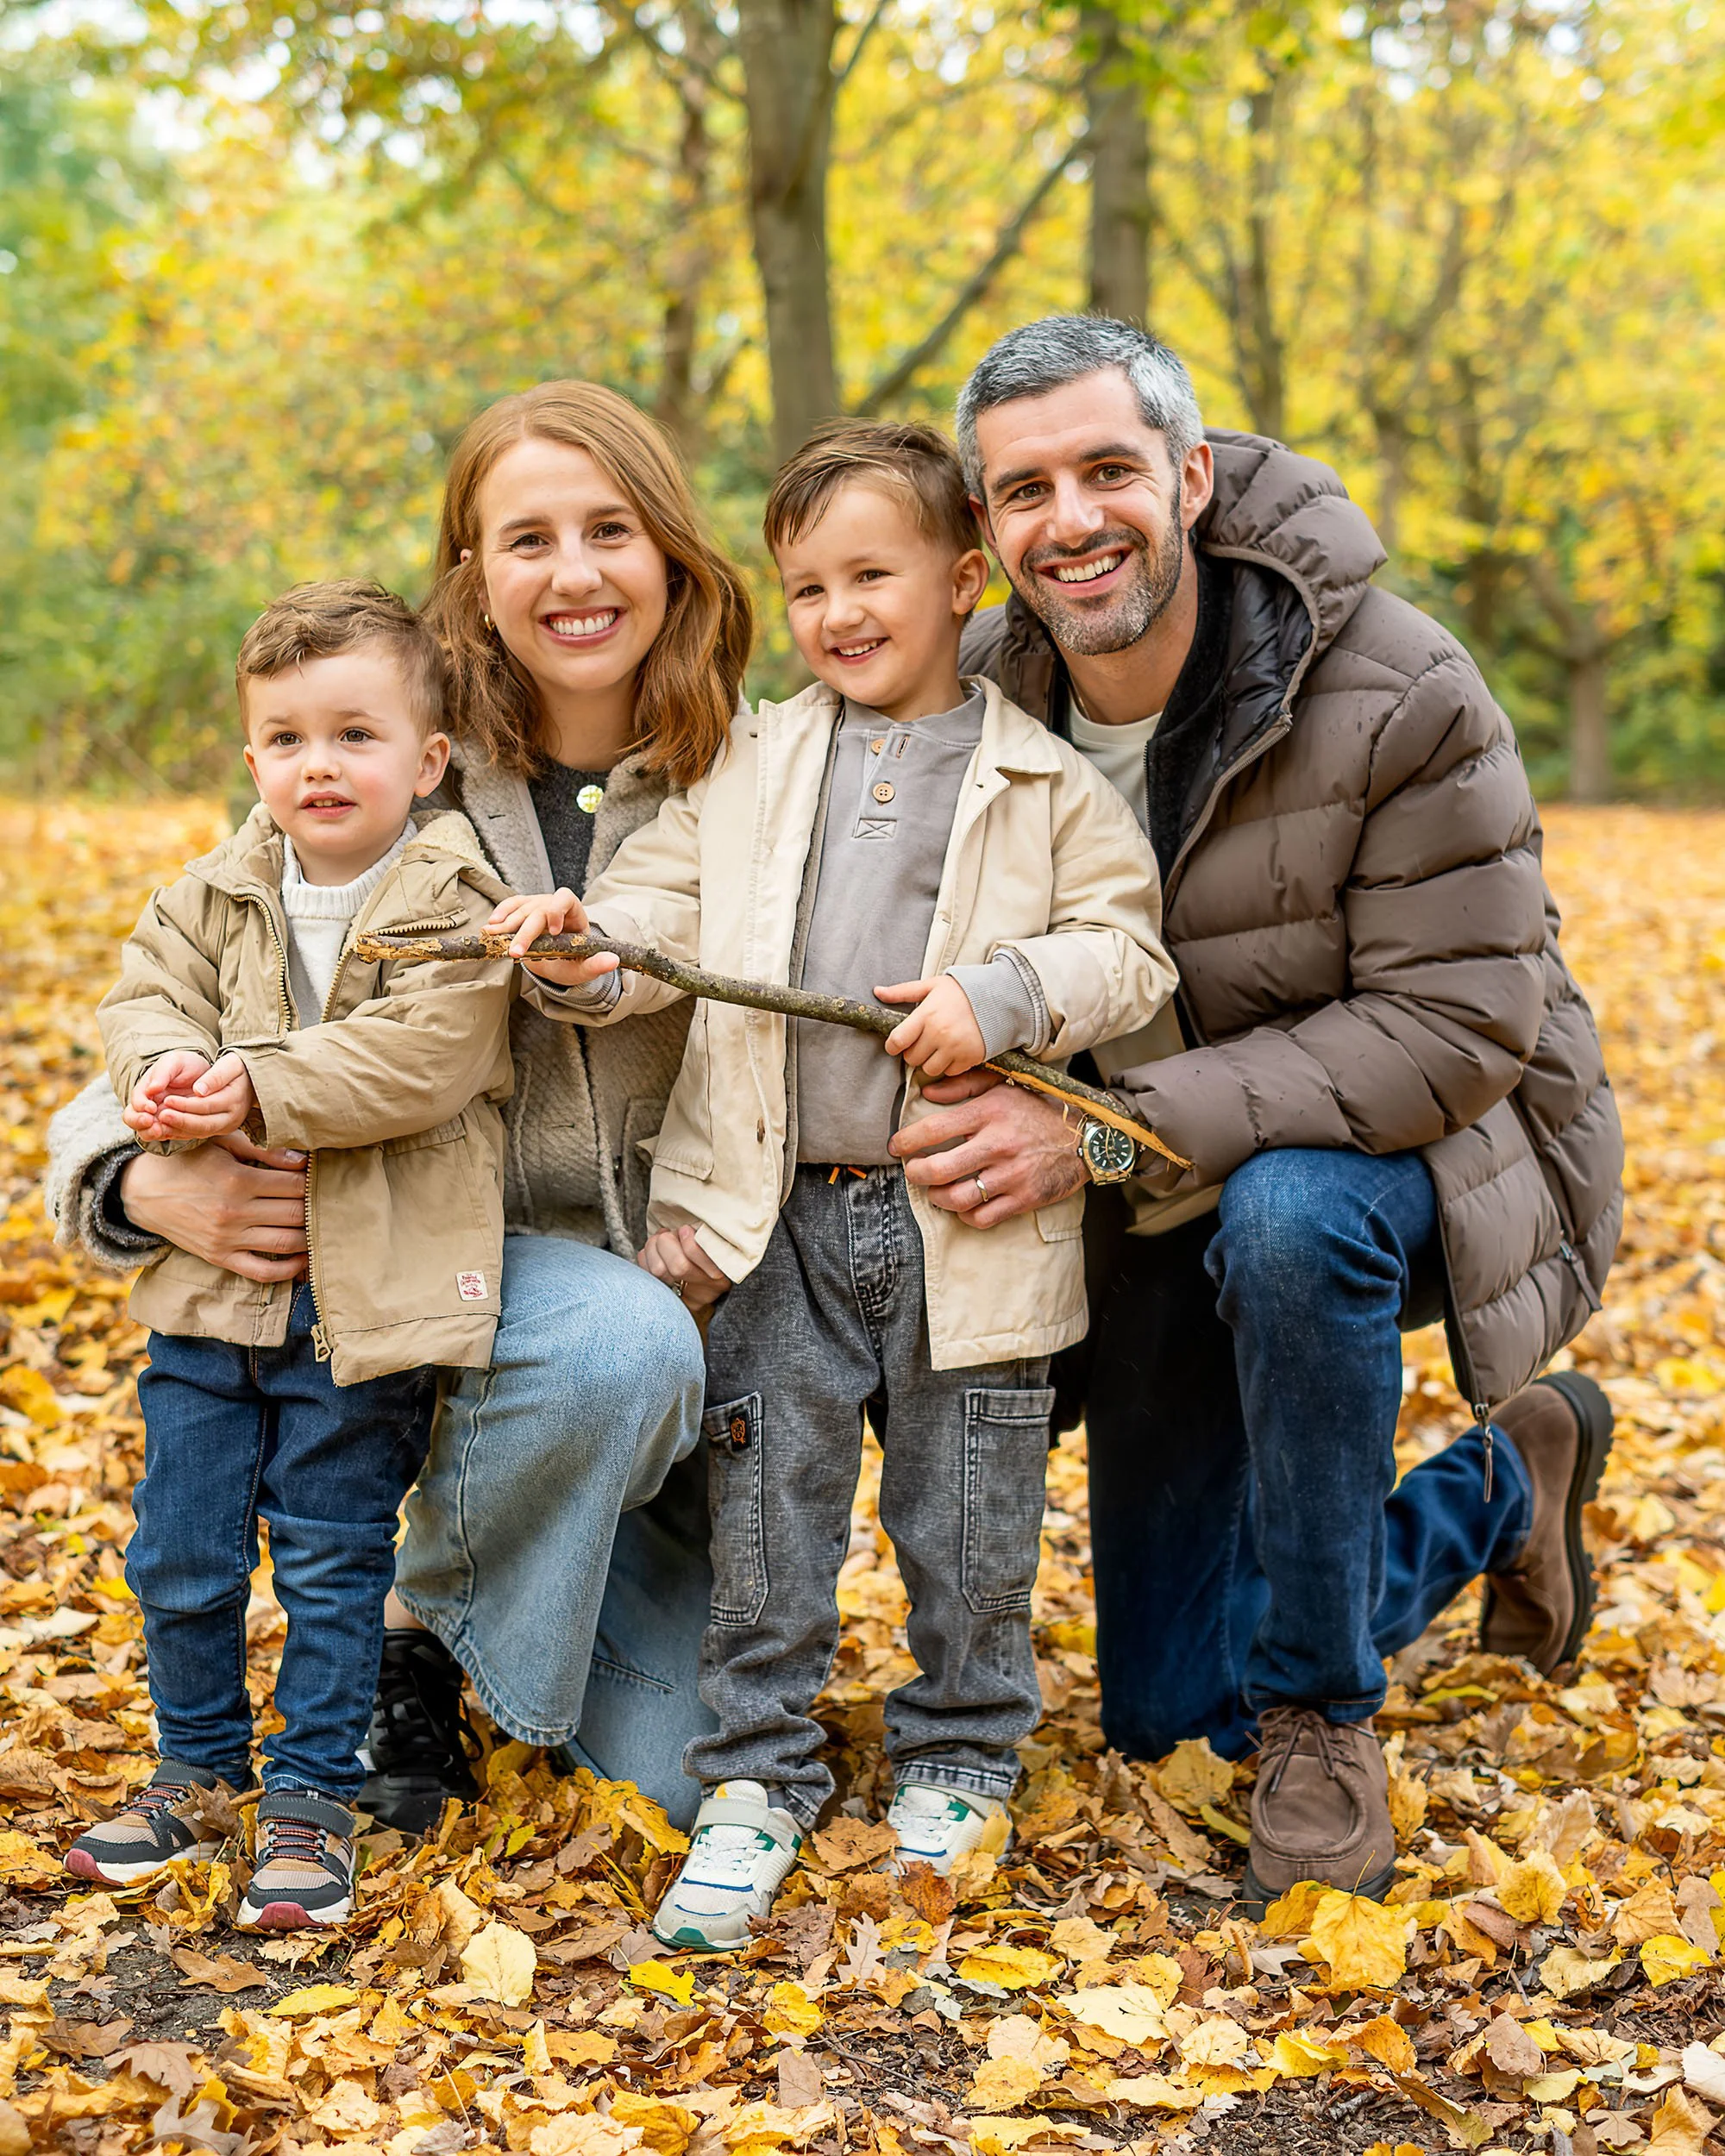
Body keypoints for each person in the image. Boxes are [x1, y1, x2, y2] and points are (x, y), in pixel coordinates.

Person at [878, 317, 1623, 1911]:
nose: (1070, 521)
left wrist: (1100, 1131)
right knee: (1160, 1717)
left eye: (1107, 471)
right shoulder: (986, 699)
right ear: (987, 530)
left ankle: (1322, 1717)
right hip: (1155, 1191)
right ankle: (1503, 1488)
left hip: (1416, 1156)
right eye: (1023, 492)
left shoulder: (1397, 680)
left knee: (1288, 1217)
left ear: (1192, 478)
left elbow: (1453, 1026)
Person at [493, 421, 1177, 1947]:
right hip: (776, 1210)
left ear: (966, 577)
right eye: (808, 588)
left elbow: (1128, 952)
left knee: (968, 1507)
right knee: (771, 1506)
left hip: (963, 1218)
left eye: (872, 575)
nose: (840, 615)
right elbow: (652, 911)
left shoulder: (1045, 782)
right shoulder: (747, 753)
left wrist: (1000, 999)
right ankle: (754, 1771)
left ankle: (959, 1749)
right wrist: (588, 955)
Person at [45, 381, 756, 1833]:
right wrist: (134, 1177)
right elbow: (187, 984)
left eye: (611, 529)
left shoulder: (755, 774)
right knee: (606, 1348)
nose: (572, 573)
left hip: (601, 1342)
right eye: (527, 538)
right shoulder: (375, 749)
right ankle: (407, 1651)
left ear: (674, 553)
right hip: (380, 1264)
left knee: (670, 1769)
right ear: (470, 578)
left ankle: (453, 1606)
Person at [66, 583, 516, 1927]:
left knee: (330, 1557)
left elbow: (426, 1055)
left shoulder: (457, 898)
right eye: (287, 738)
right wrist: (162, 1077)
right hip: (210, 1301)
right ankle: (194, 1771)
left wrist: (249, 1084)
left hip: (357, 1306)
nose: (319, 765)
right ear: (251, 756)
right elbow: (141, 996)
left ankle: (314, 1789)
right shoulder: (211, 891)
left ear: (427, 760)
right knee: (181, 1552)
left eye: (355, 735)